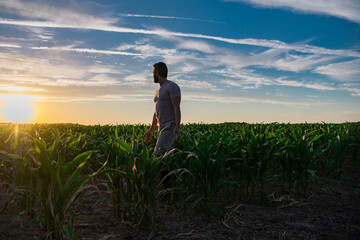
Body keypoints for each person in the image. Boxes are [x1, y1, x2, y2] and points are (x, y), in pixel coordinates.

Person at [144, 62, 181, 158]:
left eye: (153, 72)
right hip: (161, 127)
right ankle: (169, 172)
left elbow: (176, 107)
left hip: (169, 125)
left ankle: (162, 173)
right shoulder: (158, 91)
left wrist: (177, 126)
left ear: (157, 72)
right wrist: (151, 130)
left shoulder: (171, 86)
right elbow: (156, 112)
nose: (152, 75)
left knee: (159, 154)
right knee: (166, 155)